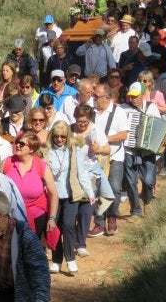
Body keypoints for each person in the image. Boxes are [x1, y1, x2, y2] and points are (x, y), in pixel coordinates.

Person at [47, 121, 93, 275]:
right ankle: (56, 260)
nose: (59, 139)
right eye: (56, 136)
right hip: (53, 195)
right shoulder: (46, 151)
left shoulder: (74, 150)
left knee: (68, 225)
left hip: (71, 194)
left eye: (63, 136)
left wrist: (90, 192)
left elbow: (82, 172)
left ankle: (71, 259)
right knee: (55, 228)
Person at [70, 105, 114, 245]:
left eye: (85, 122)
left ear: (90, 120)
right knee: (73, 209)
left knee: (86, 210)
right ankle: (72, 238)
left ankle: (80, 242)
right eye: (79, 121)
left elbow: (107, 149)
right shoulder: (70, 130)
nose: (82, 125)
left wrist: (98, 149)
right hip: (72, 173)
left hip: (91, 173)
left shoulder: (96, 130)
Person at [2, 132, 58, 240]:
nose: (17, 145)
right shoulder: (7, 162)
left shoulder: (41, 166)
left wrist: (52, 218)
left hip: (36, 215)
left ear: (31, 149)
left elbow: (54, 194)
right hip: (10, 214)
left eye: (22, 144)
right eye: (17, 142)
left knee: (31, 249)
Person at [91, 83, 128, 236]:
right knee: (96, 189)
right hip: (96, 158)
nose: (93, 99)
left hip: (115, 156)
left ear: (106, 98)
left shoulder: (119, 112)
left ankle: (112, 216)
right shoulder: (91, 112)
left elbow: (123, 135)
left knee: (114, 188)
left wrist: (104, 139)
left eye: (96, 97)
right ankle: (99, 222)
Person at [120, 82, 161, 218]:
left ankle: (147, 201)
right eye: (131, 96)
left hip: (147, 151)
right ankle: (135, 210)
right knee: (131, 182)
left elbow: (160, 129)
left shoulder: (152, 108)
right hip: (129, 150)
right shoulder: (123, 109)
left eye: (136, 96)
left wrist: (165, 139)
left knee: (148, 180)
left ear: (143, 95)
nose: (132, 99)